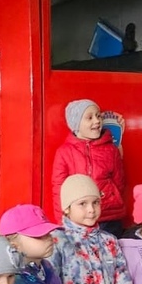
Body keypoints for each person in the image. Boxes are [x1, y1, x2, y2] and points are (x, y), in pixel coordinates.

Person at [50, 98, 126, 232]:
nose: (97, 121)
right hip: (79, 218)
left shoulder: (111, 150)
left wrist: (112, 198)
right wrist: (61, 220)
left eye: (98, 116)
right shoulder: (64, 152)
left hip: (109, 216)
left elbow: (119, 181)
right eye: (89, 118)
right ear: (76, 124)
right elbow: (59, 188)